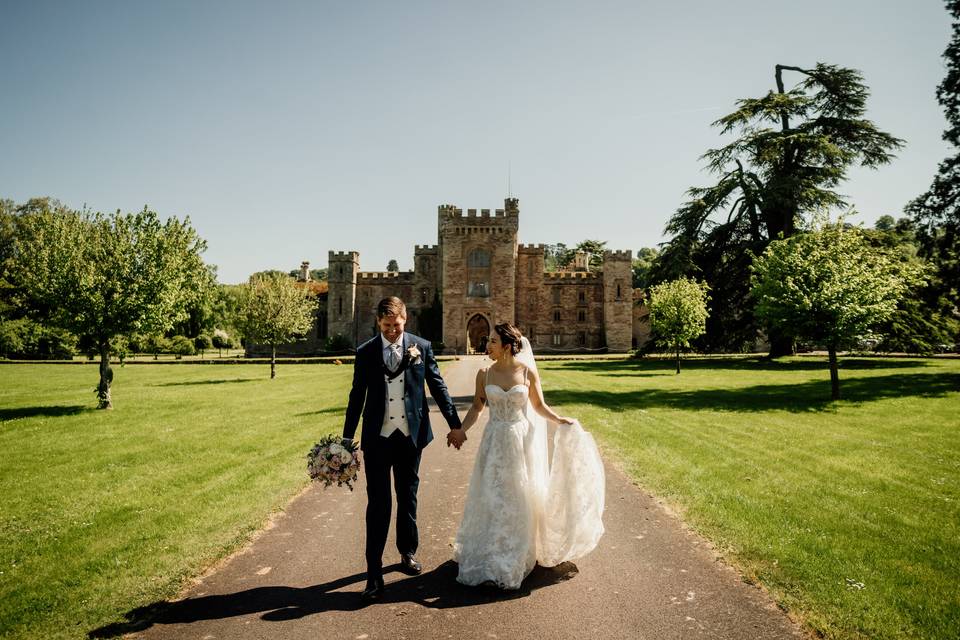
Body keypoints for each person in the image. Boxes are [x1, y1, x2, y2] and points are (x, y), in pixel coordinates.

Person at [452, 323, 605, 589]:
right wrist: (461, 430)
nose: (487, 345)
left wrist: (559, 420)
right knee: (491, 493)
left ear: (507, 346)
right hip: (494, 440)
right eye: (488, 341)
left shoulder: (527, 373)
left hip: (520, 440)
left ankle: (515, 553)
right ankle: (489, 551)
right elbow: (477, 407)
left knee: (518, 495)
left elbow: (538, 405)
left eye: (492, 341)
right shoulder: (484, 373)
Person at [341, 296, 464, 602]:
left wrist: (455, 423)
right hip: (378, 438)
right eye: (386, 326)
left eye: (396, 325)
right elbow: (357, 395)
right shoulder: (366, 352)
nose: (392, 332)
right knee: (378, 504)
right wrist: (346, 439)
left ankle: (407, 553)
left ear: (405, 319)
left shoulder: (420, 347)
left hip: (410, 437)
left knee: (407, 496)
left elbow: (438, 386)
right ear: (377, 324)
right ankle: (373, 573)